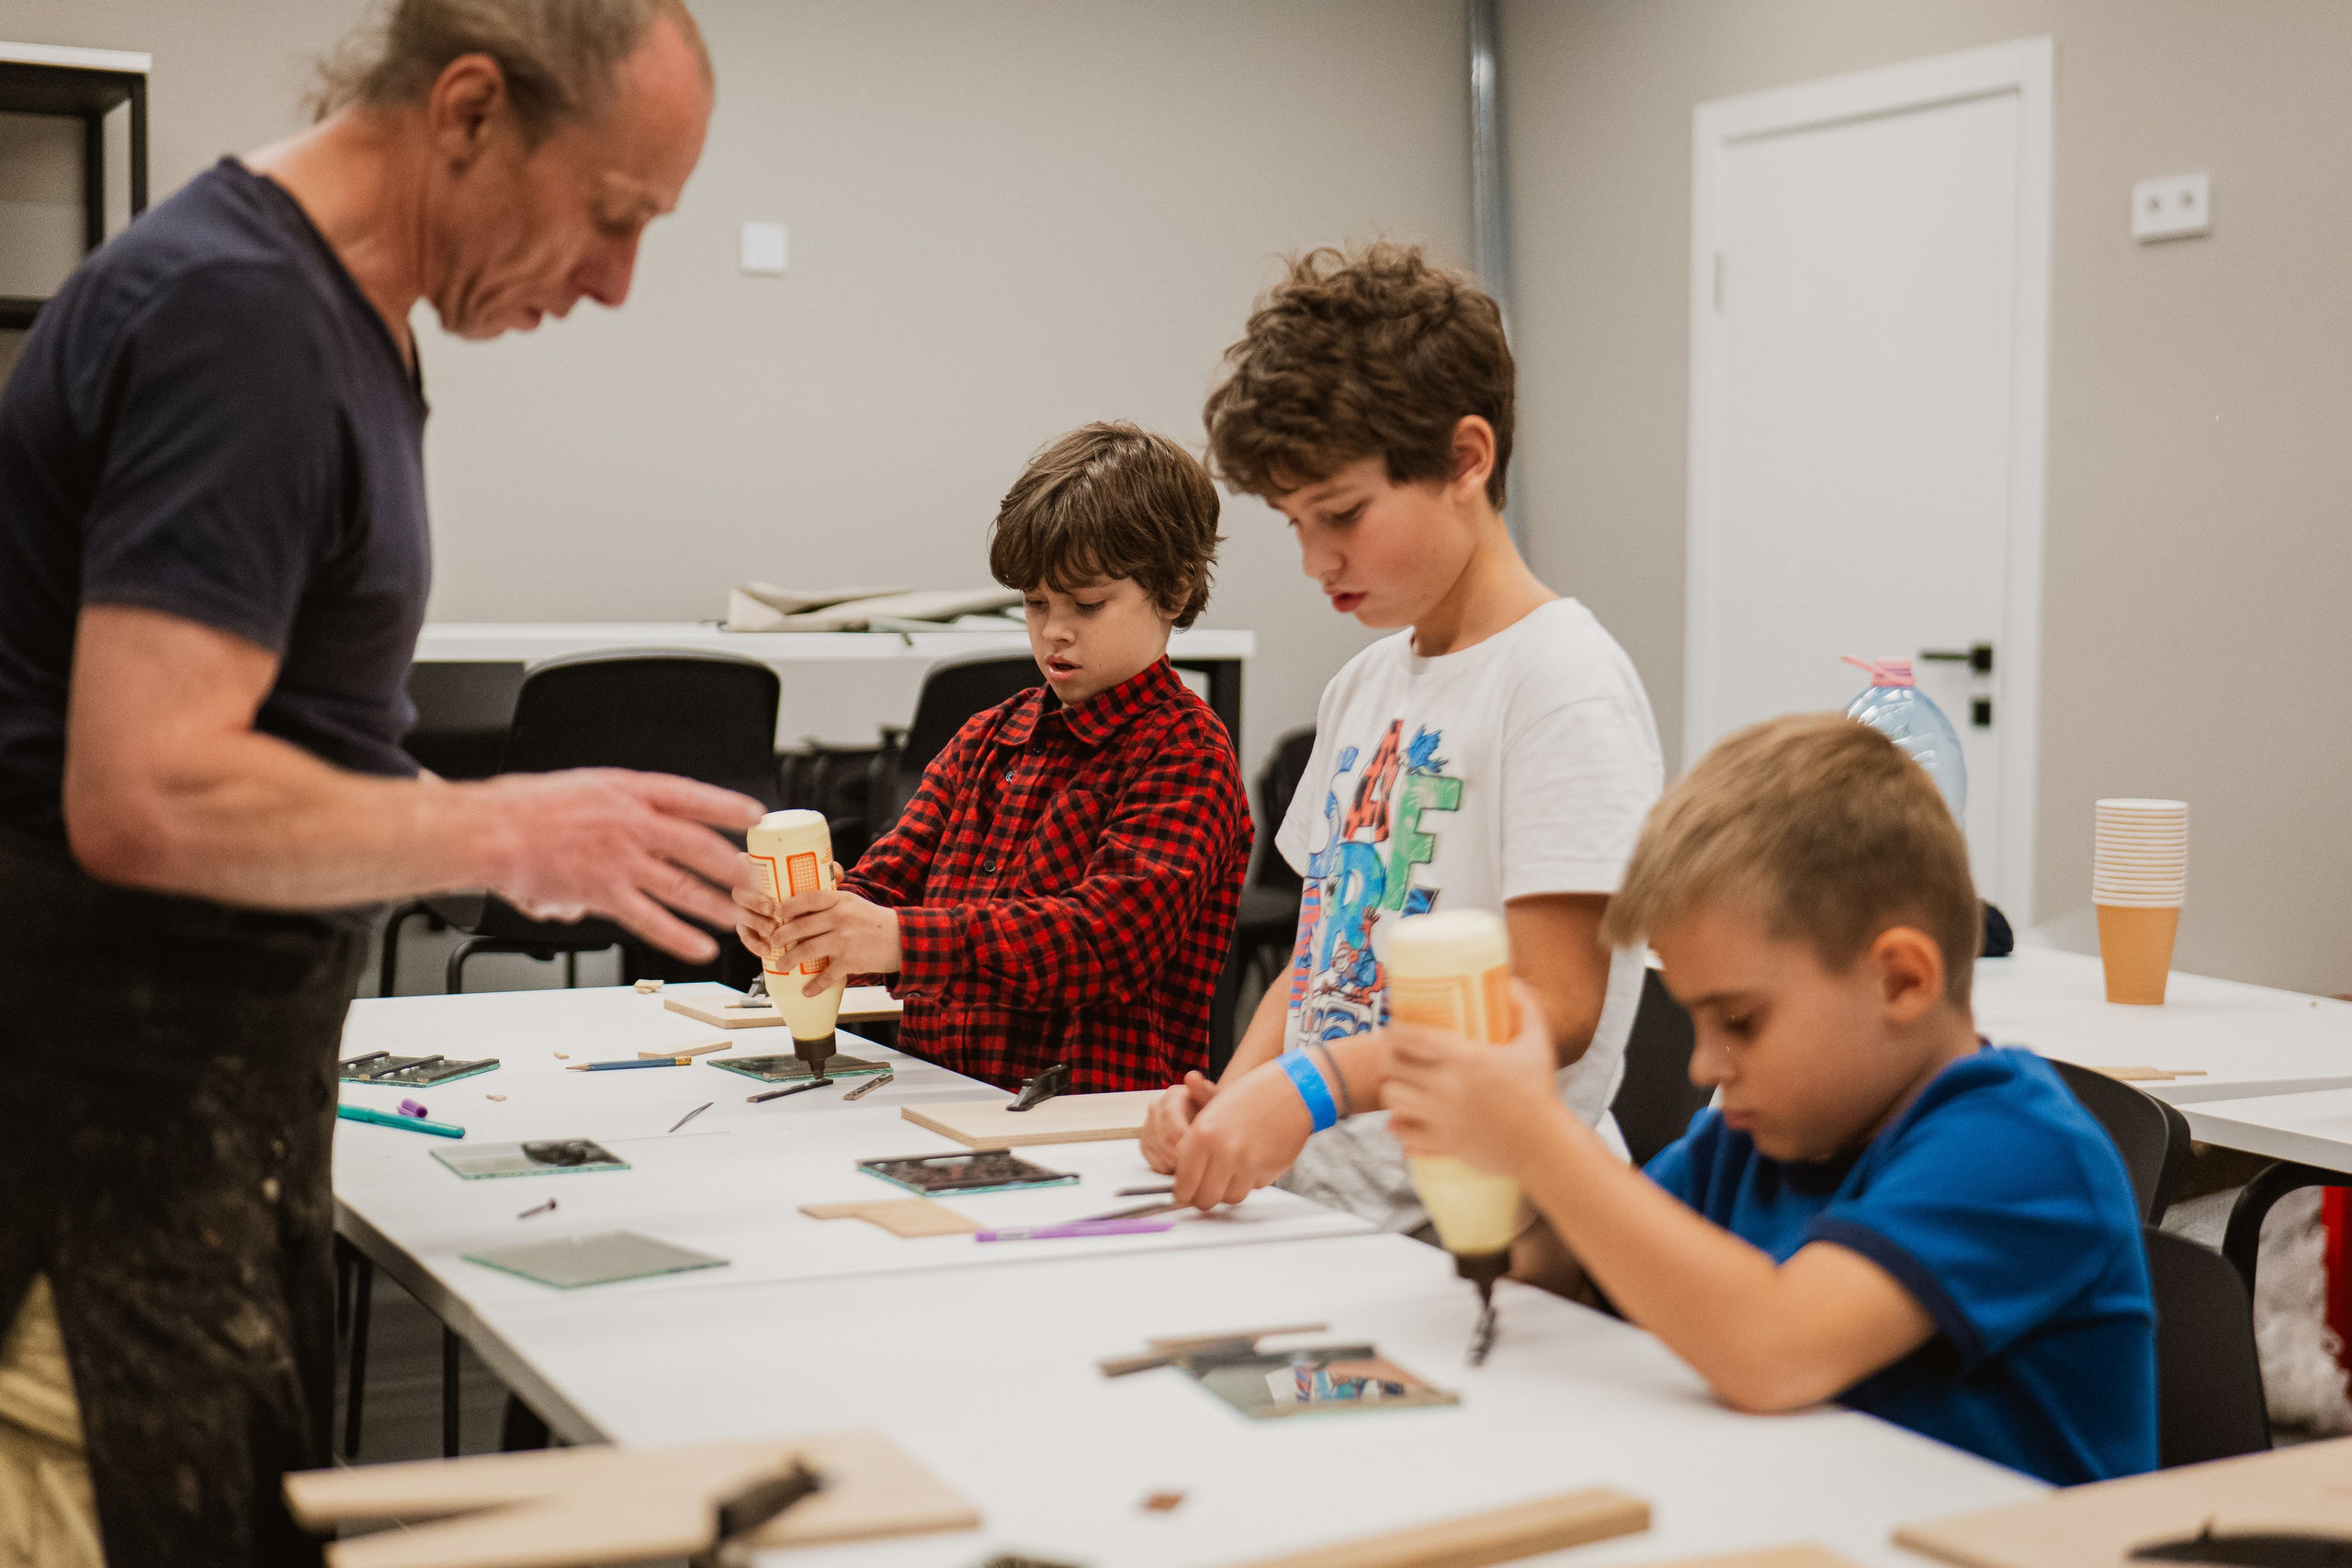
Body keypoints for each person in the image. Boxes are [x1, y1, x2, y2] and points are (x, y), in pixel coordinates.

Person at [0, 5, 759, 1563]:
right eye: (614, 218)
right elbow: (145, 790)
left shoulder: (351, 319)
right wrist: (494, 820)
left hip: (212, 1132)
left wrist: (475, 840)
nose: (616, 283)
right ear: (469, 112)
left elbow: (287, 731)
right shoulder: (244, 320)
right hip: (91, 1159)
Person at [1385, 714, 2159, 1484]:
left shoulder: (2020, 1150)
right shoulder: (1750, 1145)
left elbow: (1774, 1348)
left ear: (1901, 980)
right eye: (1697, 1019)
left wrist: (1535, 1135)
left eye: (1741, 1021)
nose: (1704, 1063)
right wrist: (1489, 1176)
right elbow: (1570, 1275)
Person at [1141, 243, 1663, 1246]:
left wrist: (1311, 1088)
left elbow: (1552, 1008)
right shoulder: (1365, 684)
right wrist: (1238, 1094)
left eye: (1340, 514)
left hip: (1489, 1230)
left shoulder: (1560, 683)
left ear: (1467, 459)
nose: (1313, 560)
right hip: (1334, 1205)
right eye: (1293, 522)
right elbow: (1323, 956)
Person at [733, 423, 1251, 1094]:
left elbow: (1104, 941)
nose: (1054, 629)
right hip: (948, 1097)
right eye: (1035, 602)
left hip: (1090, 1121)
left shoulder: (1185, 754)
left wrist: (895, 940)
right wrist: (815, 919)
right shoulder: (988, 738)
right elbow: (888, 882)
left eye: (1087, 604)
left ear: (1174, 592)